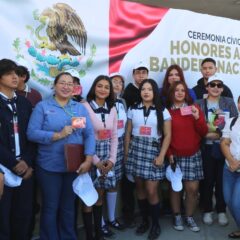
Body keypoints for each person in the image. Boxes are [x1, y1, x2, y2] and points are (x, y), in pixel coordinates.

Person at [27, 72, 95, 240]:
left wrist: (88, 159)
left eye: (70, 84)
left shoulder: (79, 108)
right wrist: (57, 135)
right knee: (51, 206)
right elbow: (31, 133)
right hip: (49, 166)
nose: (66, 86)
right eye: (62, 83)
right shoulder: (43, 107)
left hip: (73, 166)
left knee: (68, 207)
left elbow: (89, 135)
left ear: (74, 88)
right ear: (54, 86)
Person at [125, 79, 171, 240]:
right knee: (140, 189)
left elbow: (168, 136)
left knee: (152, 190)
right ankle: (144, 221)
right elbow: (128, 133)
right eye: (143, 89)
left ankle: (155, 224)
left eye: (149, 89)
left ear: (154, 92)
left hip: (153, 152)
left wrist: (161, 156)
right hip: (136, 151)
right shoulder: (132, 109)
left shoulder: (163, 110)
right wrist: (126, 155)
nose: (145, 92)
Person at [196, 74, 238, 226]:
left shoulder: (229, 102)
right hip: (205, 148)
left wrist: (218, 133)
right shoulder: (198, 103)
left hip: (225, 148)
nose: (215, 88)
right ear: (207, 87)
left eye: (219, 85)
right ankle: (207, 209)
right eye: (212, 85)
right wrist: (206, 133)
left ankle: (221, 210)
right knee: (207, 180)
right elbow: (194, 126)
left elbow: (234, 124)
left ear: (222, 88)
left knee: (221, 181)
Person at [166, 81, 208, 232]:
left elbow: (203, 132)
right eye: (176, 90)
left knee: (193, 189)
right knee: (176, 188)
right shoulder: (167, 112)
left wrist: (197, 118)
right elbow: (164, 136)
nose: (179, 93)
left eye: (182, 90)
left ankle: (189, 216)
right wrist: (169, 153)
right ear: (171, 93)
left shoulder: (194, 108)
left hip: (193, 154)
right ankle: (177, 215)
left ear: (186, 93)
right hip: (175, 156)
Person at [0, 58, 35, 239]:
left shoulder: (24, 103)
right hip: (3, 171)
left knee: (23, 217)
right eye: (9, 73)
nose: (15, 77)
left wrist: (27, 162)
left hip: (25, 170)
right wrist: (13, 163)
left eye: (16, 73)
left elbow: (32, 135)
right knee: (3, 220)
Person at [82, 75, 118, 240]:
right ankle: (90, 235)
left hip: (107, 159)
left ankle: (99, 234)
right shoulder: (84, 106)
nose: (103, 89)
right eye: (100, 86)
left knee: (99, 196)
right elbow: (81, 136)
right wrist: (96, 162)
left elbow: (115, 136)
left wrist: (111, 160)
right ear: (94, 88)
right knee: (88, 199)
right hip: (90, 157)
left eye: (106, 87)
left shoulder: (113, 108)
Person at [122, 60, 149, 226]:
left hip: (146, 144)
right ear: (133, 75)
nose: (141, 75)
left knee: (145, 184)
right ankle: (129, 214)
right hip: (130, 142)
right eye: (138, 72)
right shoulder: (128, 92)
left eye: (144, 72)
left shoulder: (150, 91)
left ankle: (146, 215)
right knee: (129, 182)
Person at [100, 72, 127, 237]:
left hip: (119, 146)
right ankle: (100, 222)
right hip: (104, 147)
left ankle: (111, 218)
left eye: (120, 82)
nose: (117, 85)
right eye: (114, 82)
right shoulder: (102, 103)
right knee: (101, 184)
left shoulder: (123, 102)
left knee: (114, 182)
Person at [221, 96, 240, 239]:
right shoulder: (232, 121)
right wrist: (231, 161)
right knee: (228, 200)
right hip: (229, 168)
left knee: (236, 203)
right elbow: (224, 142)